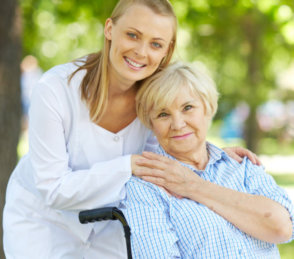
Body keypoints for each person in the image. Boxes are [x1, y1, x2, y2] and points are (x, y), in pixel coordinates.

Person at [3, 1, 259, 258]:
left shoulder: (157, 100)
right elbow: (54, 190)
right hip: (42, 224)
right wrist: (129, 166)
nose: (141, 52)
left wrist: (207, 153)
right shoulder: (55, 90)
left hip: (109, 227)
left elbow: (167, 157)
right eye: (132, 35)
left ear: (166, 50)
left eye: (156, 44)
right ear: (109, 29)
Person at [121, 61, 294, 258]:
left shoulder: (241, 166)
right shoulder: (146, 188)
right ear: (151, 123)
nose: (177, 124)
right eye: (163, 114)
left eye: (187, 107)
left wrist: (193, 186)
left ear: (208, 108)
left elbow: (283, 228)